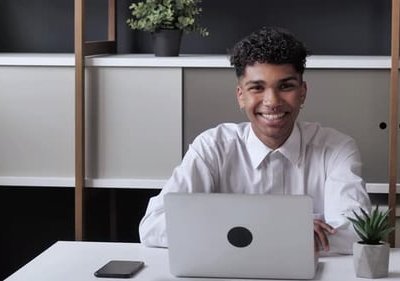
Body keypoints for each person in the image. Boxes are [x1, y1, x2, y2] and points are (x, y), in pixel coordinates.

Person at [139, 26, 371, 254]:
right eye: (257, 88)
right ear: (241, 96)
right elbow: (153, 226)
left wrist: (234, 231)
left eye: (286, 86)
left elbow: (356, 230)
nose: (272, 101)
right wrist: (285, 229)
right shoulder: (212, 148)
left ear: (302, 92)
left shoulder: (337, 148)